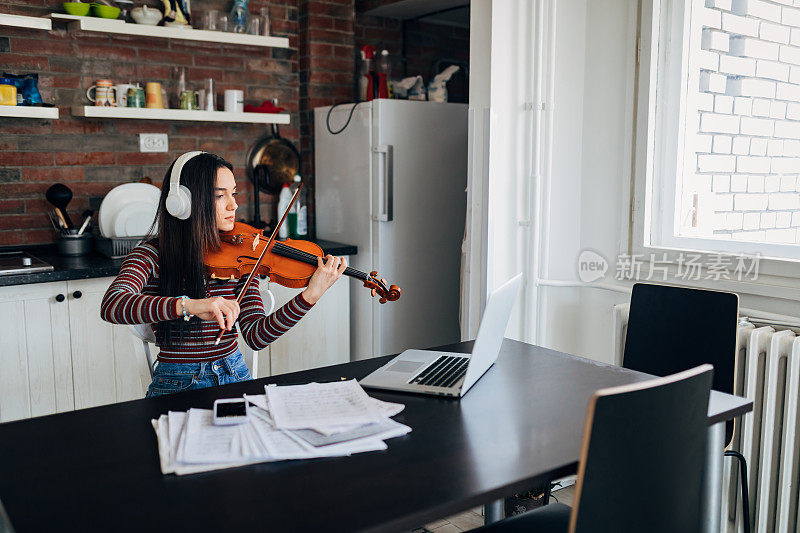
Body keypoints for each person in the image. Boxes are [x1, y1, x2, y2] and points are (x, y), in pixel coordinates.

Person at [100, 151, 346, 397]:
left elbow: (257, 336)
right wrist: (189, 306)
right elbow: (113, 304)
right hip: (177, 382)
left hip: (236, 374)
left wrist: (309, 296)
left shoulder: (239, 255)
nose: (234, 205)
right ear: (184, 202)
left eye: (234, 193)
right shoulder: (151, 255)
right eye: (220, 195)